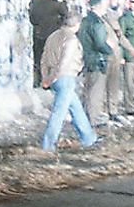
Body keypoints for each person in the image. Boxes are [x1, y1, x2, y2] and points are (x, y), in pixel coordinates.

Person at [39, 11, 99, 152]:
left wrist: (45, 77)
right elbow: (64, 62)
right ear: (77, 24)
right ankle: (48, 145)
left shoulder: (53, 36)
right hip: (65, 77)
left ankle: (89, 137)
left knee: (76, 108)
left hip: (54, 78)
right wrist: (54, 77)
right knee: (59, 112)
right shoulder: (71, 40)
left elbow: (44, 58)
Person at [78, 0, 115, 126]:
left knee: (88, 89)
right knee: (96, 91)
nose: (106, 8)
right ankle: (95, 118)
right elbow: (100, 43)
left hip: (87, 58)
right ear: (99, 6)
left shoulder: (85, 20)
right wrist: (110, 50)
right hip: (97, 59)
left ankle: (87, 116)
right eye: (105, 5)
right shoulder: (97, 23)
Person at [29, 0, 67, 87]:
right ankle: (50, 81)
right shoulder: (55, 5)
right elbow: (65, 14)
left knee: (39, 59)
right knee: (51, 59)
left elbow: (32, 19)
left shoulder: (35, 4)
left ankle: (39, 80)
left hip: (38, 35)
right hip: (52, 35)